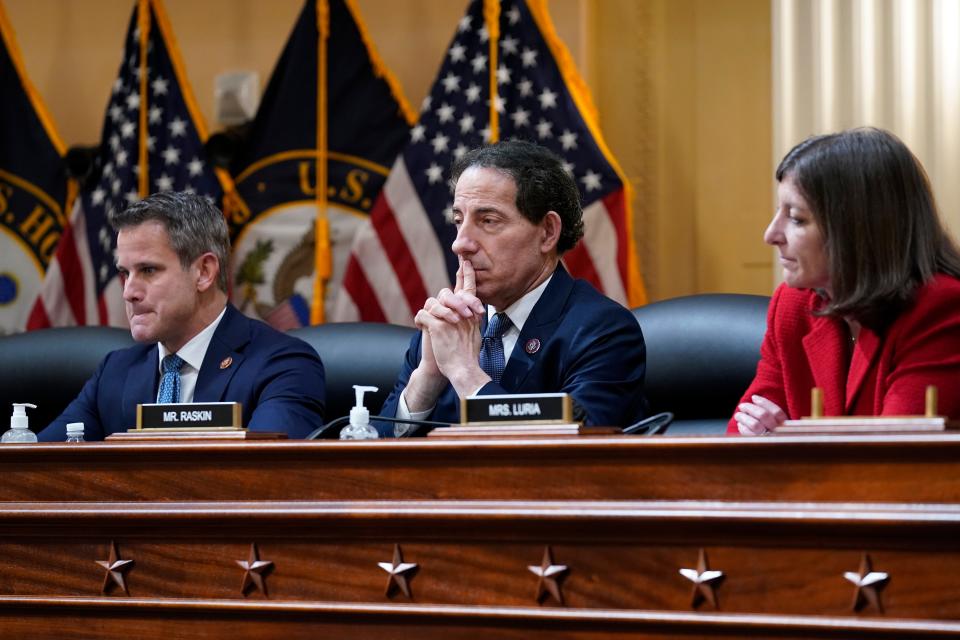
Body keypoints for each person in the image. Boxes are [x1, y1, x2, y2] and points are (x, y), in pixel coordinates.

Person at [379, 140, 647, 435]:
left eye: (488, 221)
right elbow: (369, 463)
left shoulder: (603, 332)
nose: (460, 244)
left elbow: (572, 457)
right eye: (458, 220)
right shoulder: (447, 328)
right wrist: (428, 377)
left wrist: (465, 373)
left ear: (547, 232)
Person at [38, 191, 326, 441]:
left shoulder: (282, 365)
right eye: (125, 273)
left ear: (204, 272)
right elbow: (30, 468)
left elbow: (269, 479)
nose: (129, 292)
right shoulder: (115, 372)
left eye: (148, 270)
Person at [731, 127, 960, 435]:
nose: (771, 235)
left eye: (797, 219)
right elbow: (739, 436)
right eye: (778, 213)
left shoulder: (941, 309)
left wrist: (785, 441)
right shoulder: (793, 304)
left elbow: (892, 459)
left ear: (856, 229)